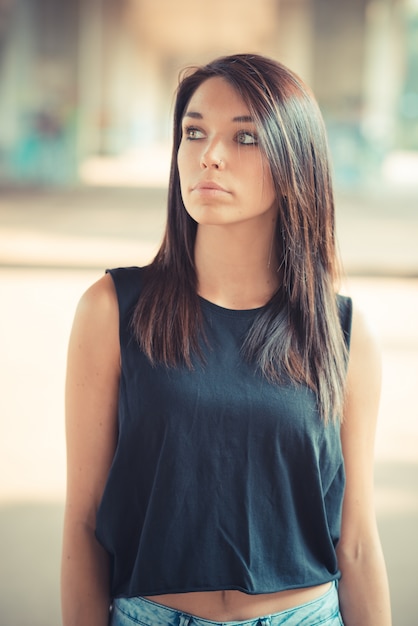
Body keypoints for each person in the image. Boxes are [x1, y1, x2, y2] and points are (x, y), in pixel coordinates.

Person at [61, 53, 392, 626]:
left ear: (295, 162)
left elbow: (357, 543)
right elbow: (84, 522)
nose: (209, 155)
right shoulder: (112, 310)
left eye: (245, 138)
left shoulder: (341, 332)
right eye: (195, 132)